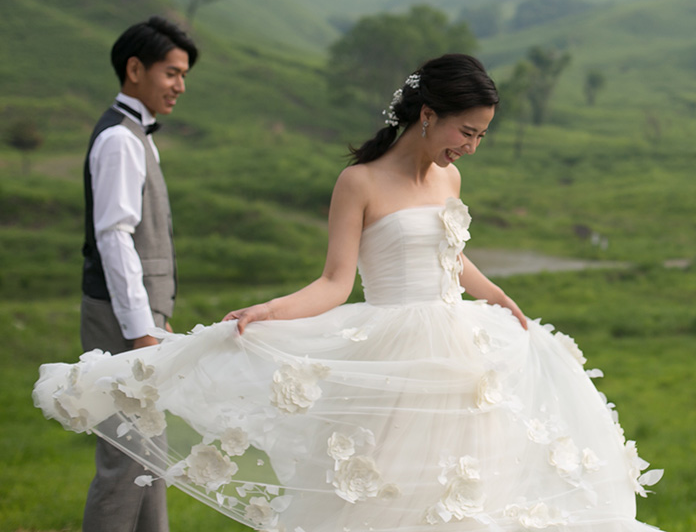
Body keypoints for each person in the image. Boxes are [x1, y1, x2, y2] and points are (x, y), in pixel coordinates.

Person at [35, 53, 663, 532]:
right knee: (386, 492)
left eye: (480, 135)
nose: (471, 145)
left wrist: (497, 296)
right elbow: (336, 283)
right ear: (427, 115)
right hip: (396, 355)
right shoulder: (359, 182)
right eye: (465, 131)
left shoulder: (451, 177)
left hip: (463, 354)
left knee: (474, 491)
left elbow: (453, 257)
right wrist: (269, 311)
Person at [78, 15, 199, 532]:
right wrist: (140, 330)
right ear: (134, 69)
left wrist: (152, 320)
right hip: (121, 319)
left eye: (183, 75)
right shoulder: (121, 140)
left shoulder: (137, 136)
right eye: (171, 73)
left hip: (139, 318)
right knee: (126, 464)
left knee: (149, 459)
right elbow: (115, 238)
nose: (180, 86)